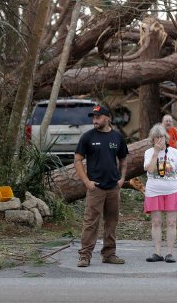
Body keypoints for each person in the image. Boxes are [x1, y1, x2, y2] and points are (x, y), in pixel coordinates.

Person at [74, 105, 129, 268]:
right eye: (93, 117)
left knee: (111, 221)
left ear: (107, 118)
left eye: (98, 117)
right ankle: (84, 256)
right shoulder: (87, 137)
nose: (95, 120)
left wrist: (122, 178)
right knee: (91, 222)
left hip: (113, 187)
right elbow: (77, 160)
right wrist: (87, 182)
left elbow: (124, 160)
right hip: (95, 187)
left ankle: (109, 254)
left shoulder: (117, 138)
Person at [143, 123, 177, 263]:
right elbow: (149, 170)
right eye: (156, 137)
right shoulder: (149, 152)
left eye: (161, 137)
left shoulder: (174, 152)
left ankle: (169, 253)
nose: (159, 140)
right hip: (153, 191)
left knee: (172, 222)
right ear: (152, 139)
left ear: (166, 137)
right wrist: (156, 153)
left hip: (172, 190)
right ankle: (157, 252)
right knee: (156, 222)